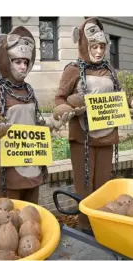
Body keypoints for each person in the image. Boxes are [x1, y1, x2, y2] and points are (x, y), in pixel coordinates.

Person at [54, 17, 133, 233]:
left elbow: (120, 99)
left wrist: (129, 103)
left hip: (106, 136)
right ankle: (86, 225)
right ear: (84, 46)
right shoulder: (72, 69)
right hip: (83, 137)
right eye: (94, 46)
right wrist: (66, 109)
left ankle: (103, 224)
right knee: (84, 185)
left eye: (102, 47)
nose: (98, 52)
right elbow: (60, 98)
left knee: (103, 185)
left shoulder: (110, 71)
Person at [0, 26, 75, 203]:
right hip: (9, 168)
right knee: (10, 215)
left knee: (32, 211)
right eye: (17, 62)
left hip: (32, 162)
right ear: (7, 61)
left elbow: (36, 124)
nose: (23, 67)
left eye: (26, 62)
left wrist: (53, 122)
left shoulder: (29, 90)